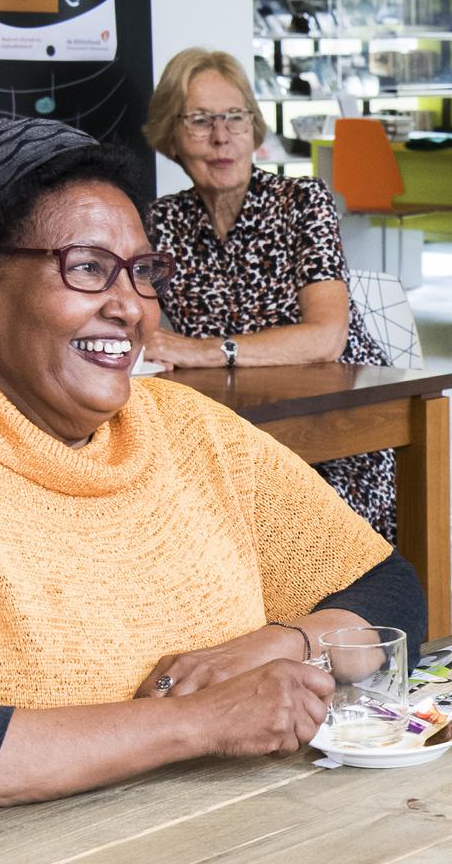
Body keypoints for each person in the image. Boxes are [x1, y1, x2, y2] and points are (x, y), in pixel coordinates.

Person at [0, 118, 425, 819]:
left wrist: (285, 644)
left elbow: (384, 590)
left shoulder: (185, 426)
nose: (130, 306)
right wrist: (200, 723)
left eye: (142, 272)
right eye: (86, 268)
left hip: (251, 844)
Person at [142, 48, 399, 540]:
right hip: (231, 423)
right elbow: (139, 330)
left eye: (235, 118)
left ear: (254, 127)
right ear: (171, 136)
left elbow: (326, 337)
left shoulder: (303, 202)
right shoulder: (159, 222)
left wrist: (205, 351)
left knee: (298, 533)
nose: (222, 138)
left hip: (334, 424)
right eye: (199, 121)